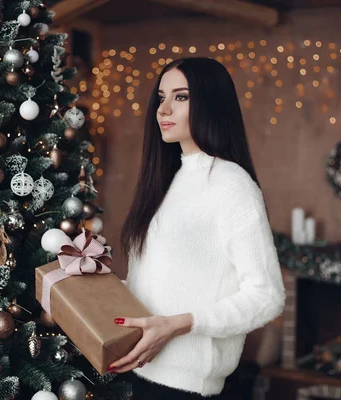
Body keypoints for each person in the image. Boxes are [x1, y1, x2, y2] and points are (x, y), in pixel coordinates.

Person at [108, 57, 286, 399]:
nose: (163, 109)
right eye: (161, 97)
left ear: (211, 103)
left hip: (183, 388)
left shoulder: (231, 184)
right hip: (135, 371)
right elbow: (163, 281)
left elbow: (266, 296)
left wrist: (177, 325)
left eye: (181, 97)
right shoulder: (168, 181)